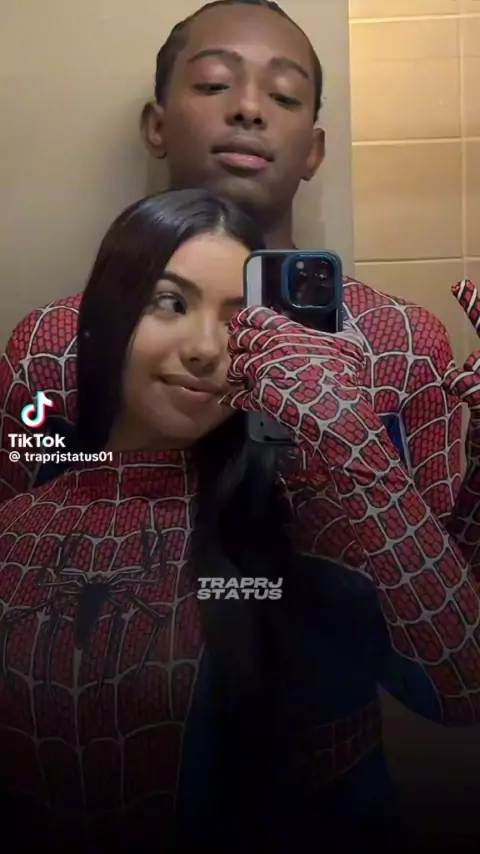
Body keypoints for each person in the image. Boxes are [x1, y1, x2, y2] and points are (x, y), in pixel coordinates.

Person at [1, 189, 480, 854]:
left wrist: (345, 432)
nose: (205, 348)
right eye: (170, 303)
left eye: (238, 319)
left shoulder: (304, 513)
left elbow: (460, 687)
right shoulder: (21, 521)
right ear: (107, 317)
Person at [0, 0, 462, 527]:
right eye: (214, 84)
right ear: (156, 126)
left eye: (283, 96)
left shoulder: (403, 344)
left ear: (314, 152)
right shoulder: (53, 344)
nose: (248, 108)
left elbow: (443, 558)